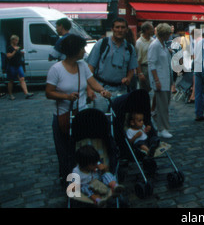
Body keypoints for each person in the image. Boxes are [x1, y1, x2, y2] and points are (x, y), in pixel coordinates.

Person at [46, 34, 111, 180]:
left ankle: (85, 177)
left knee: (80, 148)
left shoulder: (82, 66)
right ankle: (68, 179)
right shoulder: (56, 69)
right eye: (82, 48)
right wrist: (66, 97)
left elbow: (92, 82)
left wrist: (102, 91)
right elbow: (49, 93)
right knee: (65, 152)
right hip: (63, 116)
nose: (84, 51)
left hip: (80, 116)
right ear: (75, 50)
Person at [86, 18, 138, 112]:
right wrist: (89, 89)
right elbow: (90, 68)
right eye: (117, 27)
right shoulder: (102, 44)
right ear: (112, 29)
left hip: (120, 91)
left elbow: (131, 69)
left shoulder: (130, 48)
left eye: (122, 27)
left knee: (118, 120)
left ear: (126, 30)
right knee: (101, 119)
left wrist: (128, 78)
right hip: (101, 90)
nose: (120, 30)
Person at [148, 23, 174, 139]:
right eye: (168, 34)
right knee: (162, 105)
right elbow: (151, 64)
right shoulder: (155, 45)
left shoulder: (162, 45)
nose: (170, 36)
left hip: (166, 78)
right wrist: (156, 80)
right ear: (164, 34)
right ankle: (162, 128)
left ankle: (161, 125)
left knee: (164, 104)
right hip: (160, 79)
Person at [135, 21, 157, 114]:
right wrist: (140, 73)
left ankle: (153, 109)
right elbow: (137, 60)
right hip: (144, 67)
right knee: (145, 91)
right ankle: (145, 110)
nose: (153, 30)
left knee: (156, 89)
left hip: (153, 67)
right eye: (152, 28)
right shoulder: (139, 42)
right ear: (147, 30)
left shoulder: (153, 40)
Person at [6, 35, 33, 100]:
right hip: (12, 66)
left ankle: (26, 93)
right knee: (11, 81)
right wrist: (15, 51)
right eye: (16, 40)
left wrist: (22, 53)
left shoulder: (18, 47)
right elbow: (9, 56)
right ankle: (10, 95)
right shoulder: (9, 48)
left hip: (18, 65)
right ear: (12, 40)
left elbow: (19, 56)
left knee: (22, 79)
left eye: (17, 40)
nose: (17, 42)